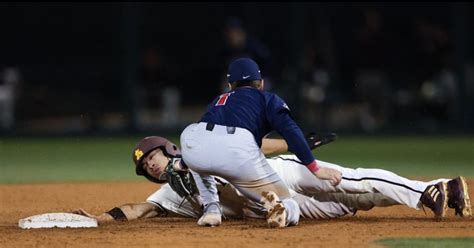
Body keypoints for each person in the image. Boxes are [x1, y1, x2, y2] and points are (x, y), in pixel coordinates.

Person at [73, 135, 471, 224]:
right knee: (358, 198)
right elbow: (136, 209)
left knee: (348, 178)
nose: (152, 166)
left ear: (169, 149)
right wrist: (98, 219)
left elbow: (250, 144)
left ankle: (424, 191)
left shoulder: (199, 152)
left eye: (154, 158)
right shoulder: (170, 193)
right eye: (147, 168)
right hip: (282, 204)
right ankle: (445, 187)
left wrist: (295, 143)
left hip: (281, 173)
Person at [179, 57, 343, 228]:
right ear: (261, 84)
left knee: (198, 154)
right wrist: (315, 169)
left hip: (195, 147)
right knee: (288, 199)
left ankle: (211, 210)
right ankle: (284, 210)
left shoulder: (218, 101)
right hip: (238, 154)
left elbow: (207, 141)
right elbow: (290, 130)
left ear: (229, 85)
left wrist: (183, 162)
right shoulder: (267, 99)